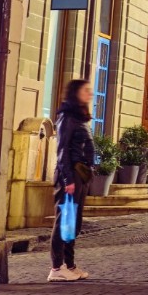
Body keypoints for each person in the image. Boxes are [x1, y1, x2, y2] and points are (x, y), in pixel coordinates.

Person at [49, 79, 96, 282]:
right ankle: (56, 268)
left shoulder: (79, 118)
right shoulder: (67, 117)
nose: (90, 94)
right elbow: (62, 151)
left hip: (80, 175)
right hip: (70, 176)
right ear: (76, 93)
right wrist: (68, 179)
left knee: (73, 223)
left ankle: (70, 265)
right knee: (64, 221)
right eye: (86, 91)